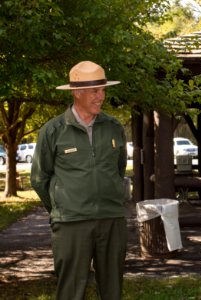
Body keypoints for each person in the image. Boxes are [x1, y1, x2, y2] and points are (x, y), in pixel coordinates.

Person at [31, 61, 128, 300]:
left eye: (103, 90)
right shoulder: (53, 130)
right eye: (95, 91)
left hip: (111, 220)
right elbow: (39, 177)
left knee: (113, 290)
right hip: (71, 223)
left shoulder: (114, 127)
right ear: (77, 92)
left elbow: (118, 169)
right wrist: (61, 207)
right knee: (71, 292)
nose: (101, 96)